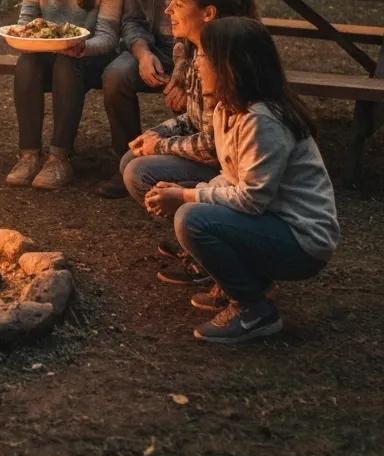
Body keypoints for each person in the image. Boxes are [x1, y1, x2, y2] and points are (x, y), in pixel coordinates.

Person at [144, 17, 340, 344]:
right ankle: (251, 285)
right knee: (191, 204)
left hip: (303, 241)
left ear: (231, 67)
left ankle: (254, 311)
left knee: (191, 219)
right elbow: (232, 178)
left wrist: (186, 197)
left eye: (205, 58)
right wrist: (189, 191)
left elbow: (251, 199)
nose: (197, 65)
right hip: (274, 221)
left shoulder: (262, 120)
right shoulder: (227, 109)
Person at [96, 0, 247, 198]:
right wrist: (142, 54)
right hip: (156, 48)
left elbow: (238, 23)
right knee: (116, 75)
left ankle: (209, 173)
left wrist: (184, 69)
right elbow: (132, 19)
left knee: (199, 106)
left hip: (205, 51)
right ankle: (127, 155)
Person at [121, 0, 260, 284]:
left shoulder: (222, 61)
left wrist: (161, 147)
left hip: (231, 169)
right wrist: (157, 133)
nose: (168, 10)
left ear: (208, 13)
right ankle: (201, 242)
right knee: (131, 159)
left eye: (178, 4)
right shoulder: (199, 50)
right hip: (220, 162)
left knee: (140, 172)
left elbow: (213, 144)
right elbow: (196, 117)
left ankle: (212, 249)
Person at [6, 0, 122, 190]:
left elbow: (108, 37)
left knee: (67, 64)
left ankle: (59, 157)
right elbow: (26, 24)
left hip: (92, 57)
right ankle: (29, 155)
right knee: (27, 64)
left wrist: (81, 47)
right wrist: (26, 38)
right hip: (49, 55)